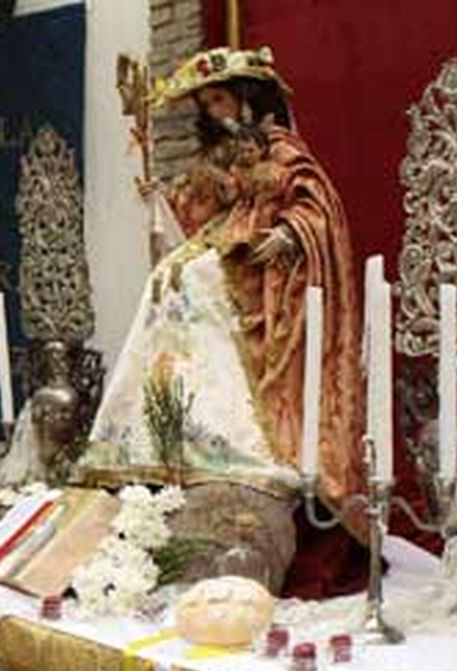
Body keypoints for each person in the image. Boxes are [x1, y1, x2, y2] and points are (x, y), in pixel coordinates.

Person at [82, 46, 363, 537]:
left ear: (245, 97)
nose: (212, 111)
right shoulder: (219, 155)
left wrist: (289, 233)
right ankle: (162, 427)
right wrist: (159, 199)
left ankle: (237, 433)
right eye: (206, 104)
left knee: (198, 280)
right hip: (219, 243)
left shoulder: (281, 149)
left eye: (218, 99)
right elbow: (191, 214)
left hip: (255, 264)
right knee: (169, 279)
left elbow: (317, 204)